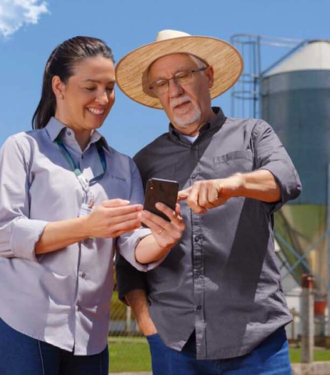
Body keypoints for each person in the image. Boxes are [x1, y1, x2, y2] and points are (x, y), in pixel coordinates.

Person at [0, 36, 185, 375]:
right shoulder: (22, 150)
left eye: (109, 88)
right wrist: (87, 227)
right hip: (19, 325)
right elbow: (6, 234)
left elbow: (132, 245)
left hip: (89, 337)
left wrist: (163, 237)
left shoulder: (122, 166)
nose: (103, 99)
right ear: (59, 86)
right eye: (90, 87)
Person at [114, 30, 302, 374]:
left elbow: (285, 179)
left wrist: (233, 184)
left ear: (209, 76)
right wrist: (147, 322)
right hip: (174, 344)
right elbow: (127, 256)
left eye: (183, 75)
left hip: (257, 340)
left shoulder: (253, 134)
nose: (174, 90)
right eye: (161, 83)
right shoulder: (142, 163)